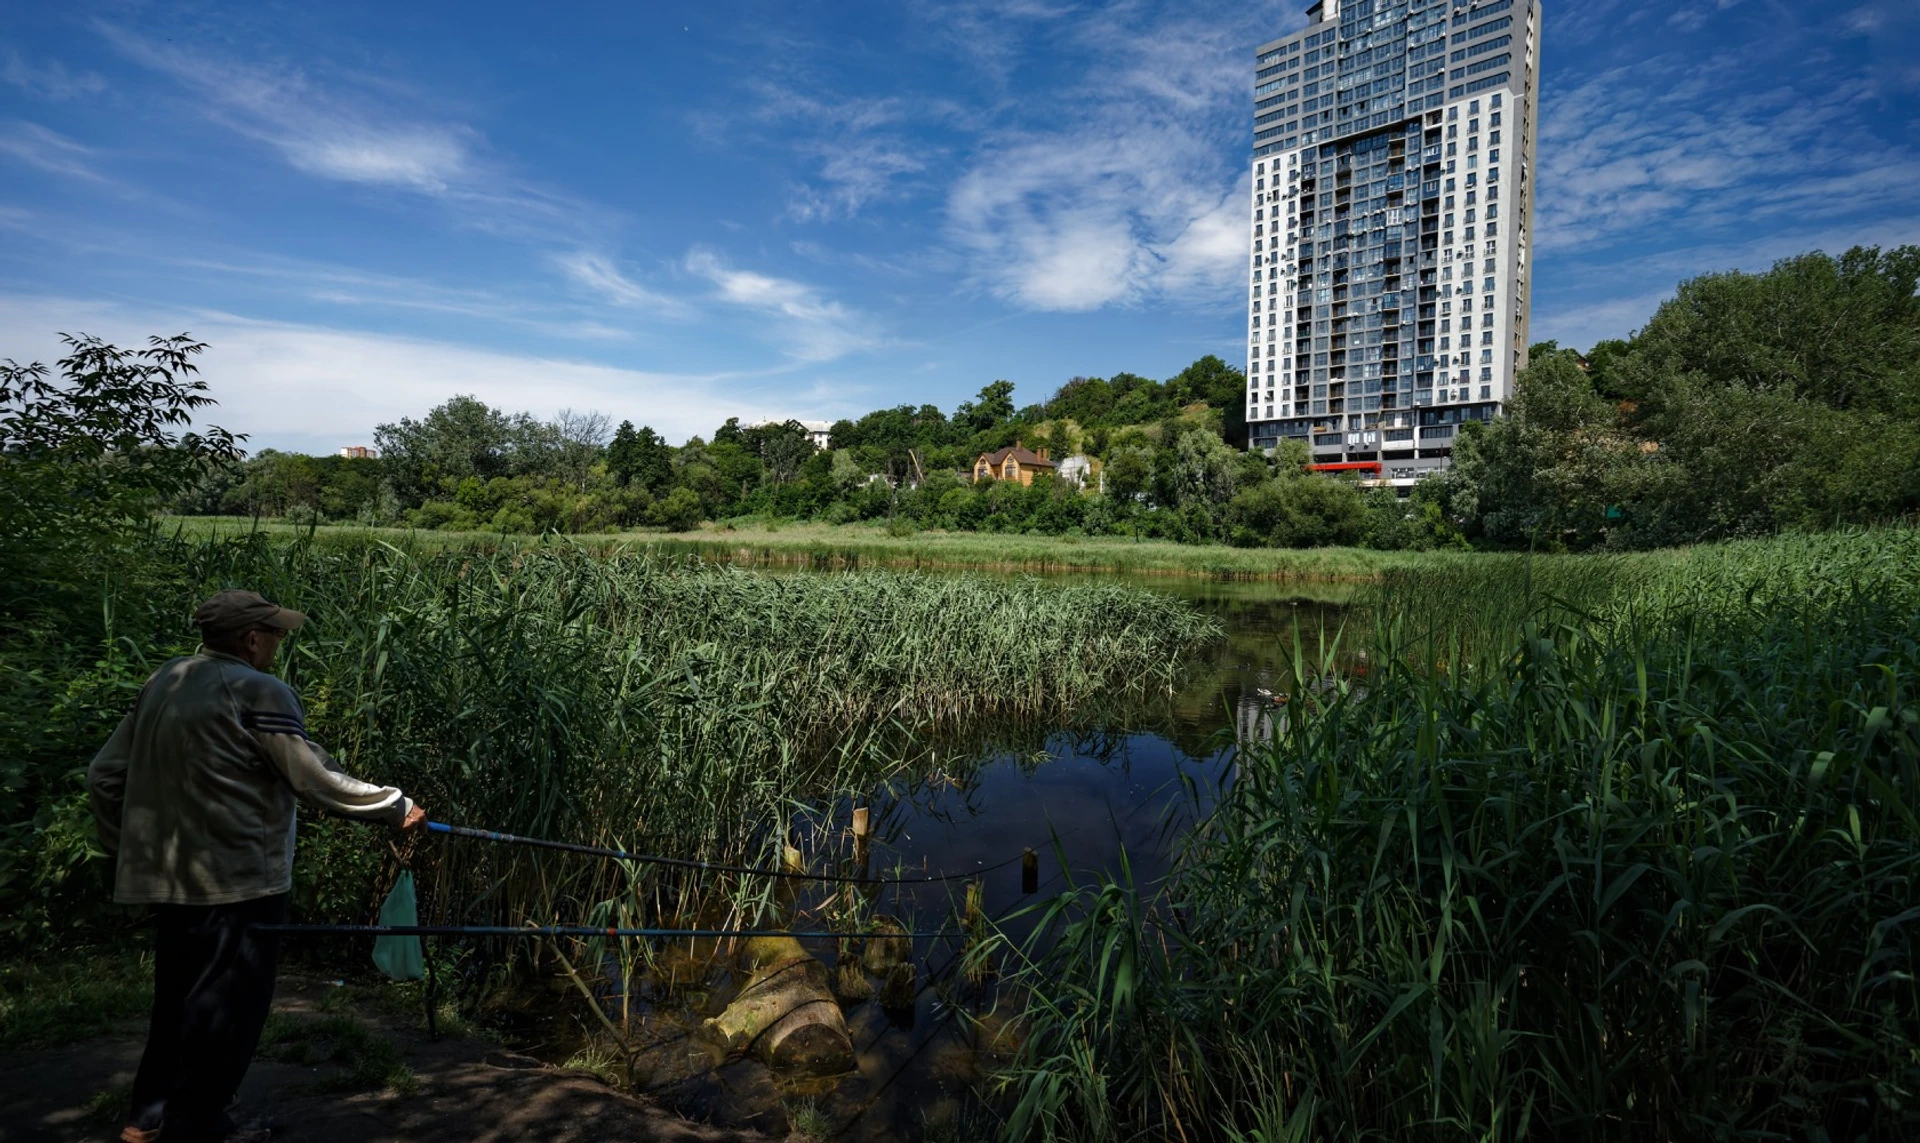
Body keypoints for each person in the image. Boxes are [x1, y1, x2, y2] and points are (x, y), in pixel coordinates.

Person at [88, 590, 426, 1143]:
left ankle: (146, 1118)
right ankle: (202, 1124)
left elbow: (104, 777)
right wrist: (394, 806)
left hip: (168, 879)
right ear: (251, 638)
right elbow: (309, 779)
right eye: (274, 633)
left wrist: (128, 850)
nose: (279, 642)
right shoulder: (257, 689)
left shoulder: (164, 682)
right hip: (239, 881)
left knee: (177, 998)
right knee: (231, 1008)